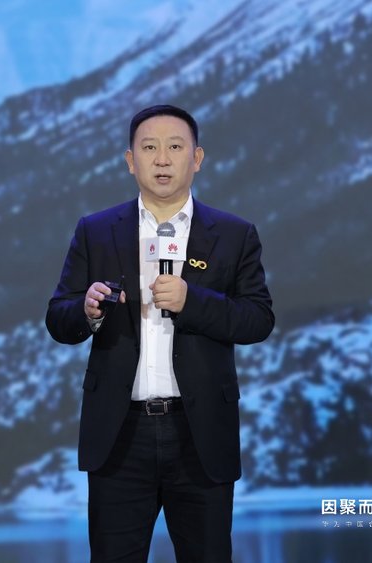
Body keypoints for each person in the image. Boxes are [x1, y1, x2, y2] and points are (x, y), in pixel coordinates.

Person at [46, 105, 274, 562]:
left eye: (175, 147)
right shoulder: (96, 231)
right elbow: (58, 318)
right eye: (149, 148)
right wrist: (87, 311)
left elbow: (257, 319)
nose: (163, 159)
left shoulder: (234, 234)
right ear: (131, 161)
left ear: (197, 158)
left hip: (199, 432)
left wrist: (192, 301)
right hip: (119, 434)